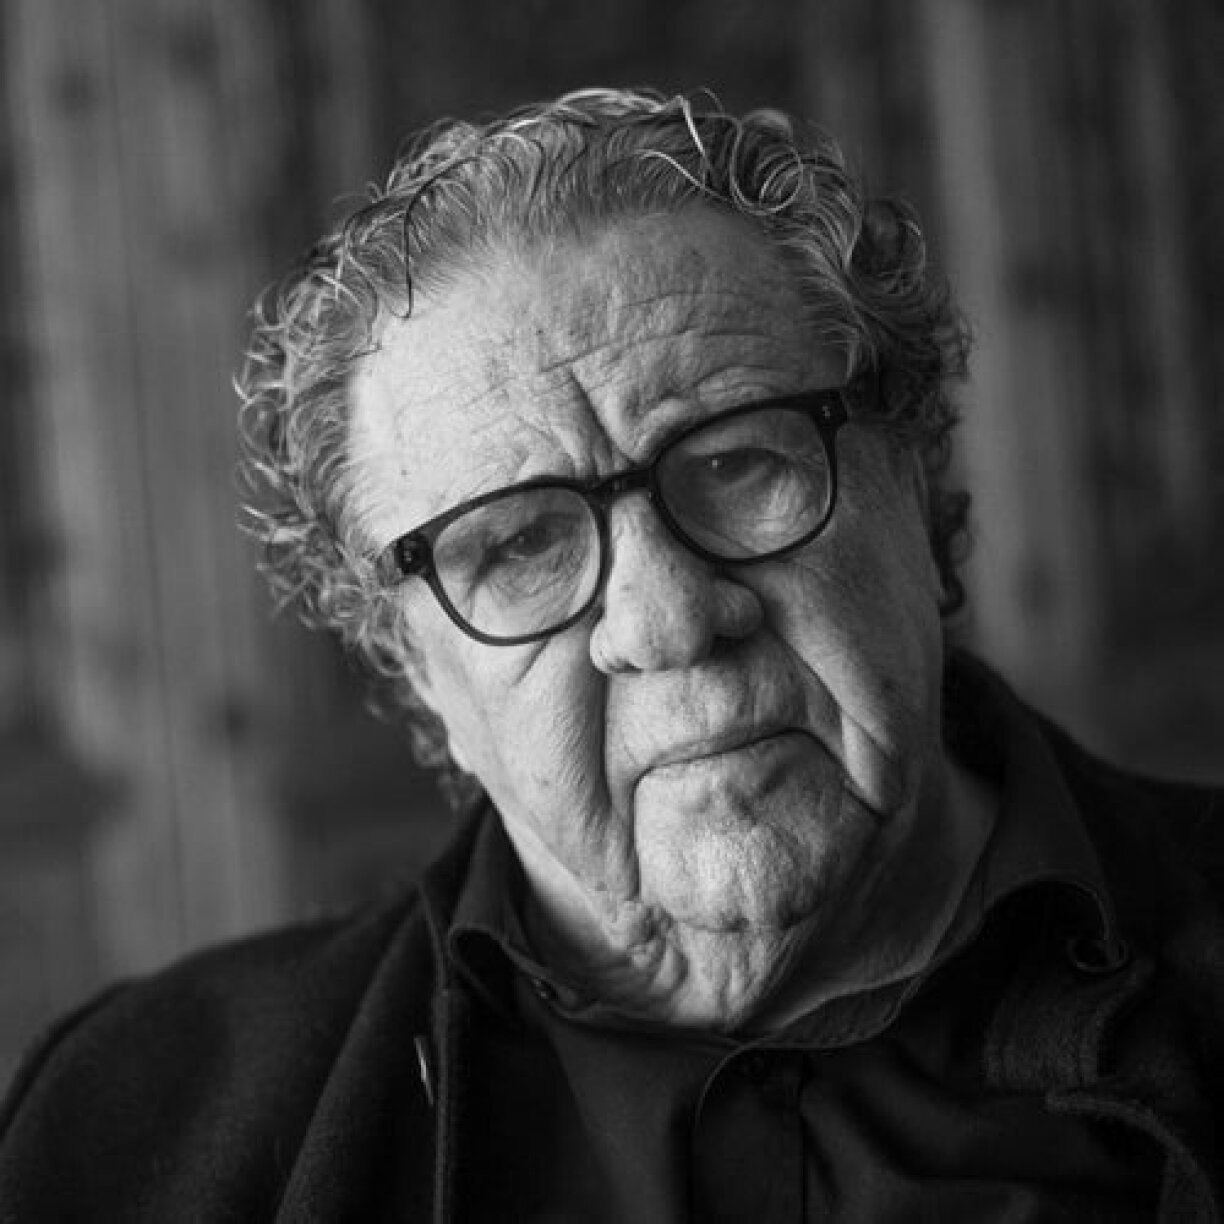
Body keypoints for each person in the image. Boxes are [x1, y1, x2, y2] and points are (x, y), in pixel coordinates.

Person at [1, 88, 1221, 1222]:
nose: (667, 620)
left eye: (738, 462)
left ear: (910, 474)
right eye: (520, 545)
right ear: (415, 664)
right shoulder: (120, 1133)